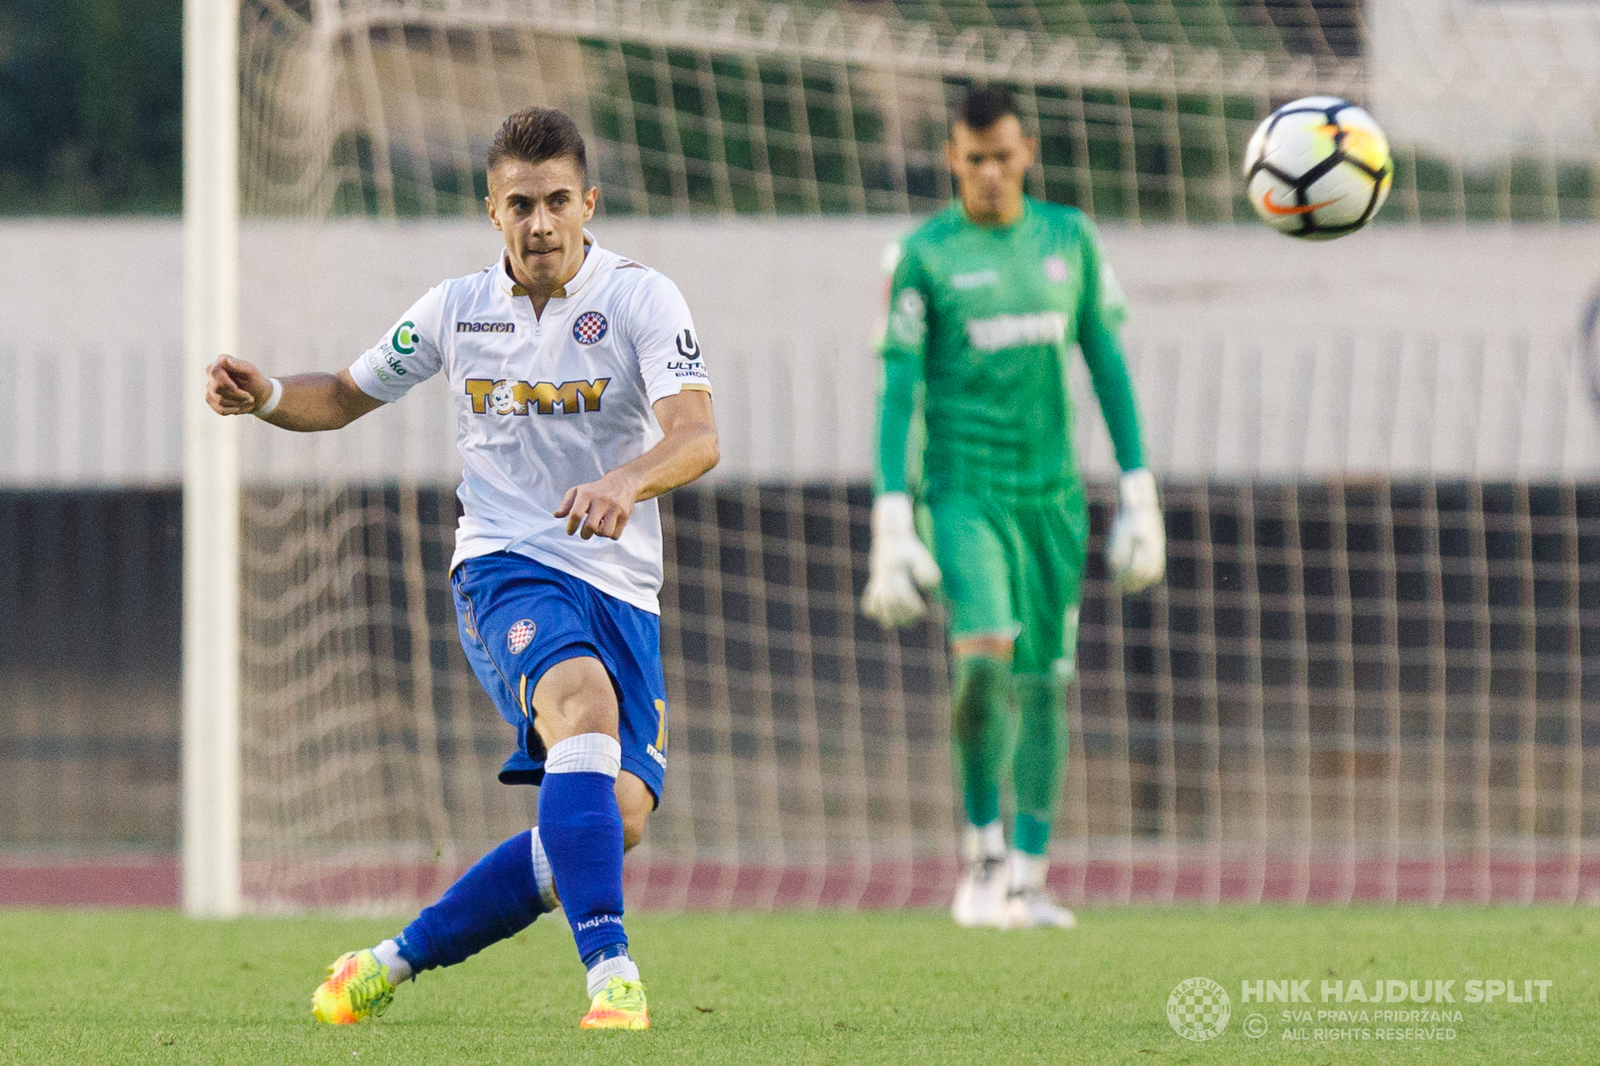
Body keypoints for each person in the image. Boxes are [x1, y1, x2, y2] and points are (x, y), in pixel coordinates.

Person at [206, 107, 718, 1029]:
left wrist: (625, 482)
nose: (541, 223)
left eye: (558, 201)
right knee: (582, 711)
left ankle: (388, 961)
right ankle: (613, 978)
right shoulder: (455, 311)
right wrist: (269, 396)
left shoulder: (643, 299)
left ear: (589, 203)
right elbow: (345, 394)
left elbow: (697, 436)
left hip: (621, 587)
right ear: (492, 210)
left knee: (616, 819)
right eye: (520, 203)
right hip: (505, 567)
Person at [862, 86, 1165, 929]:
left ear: (1027, 152)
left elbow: (1107, 366)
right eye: (973, 158)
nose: (989, 172)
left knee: (1045, 684)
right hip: (964, 493)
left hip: (1053, 500)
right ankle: (982, 855)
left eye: (1002, 156)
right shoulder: (923, 256)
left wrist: (1138, 491)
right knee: (986, 655)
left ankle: (1027, 880)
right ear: (952, 158)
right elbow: (898, 393)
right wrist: (892, 520)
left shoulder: (1071, 239)